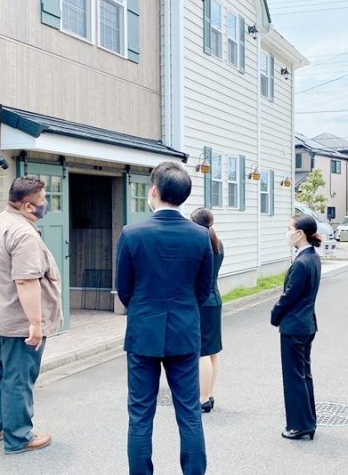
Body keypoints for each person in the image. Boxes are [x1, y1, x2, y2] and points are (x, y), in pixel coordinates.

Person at [117, 162, 213, 475]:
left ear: (154, 191)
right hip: (184, 331)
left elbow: (124, 289)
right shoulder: (200, 235)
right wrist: (183, 309)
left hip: (143, 331)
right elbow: (203, 289)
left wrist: (143, 309)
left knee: (140, 415)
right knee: (189, 413)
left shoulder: (132, 233)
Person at [0, 176, 62, 454]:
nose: (46, 204)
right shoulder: (23, 234)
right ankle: (19, 437)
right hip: (16, 323)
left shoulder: (0, 221)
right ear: (27, 206)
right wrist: (35, 323)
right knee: (18, 379)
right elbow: (26, 280)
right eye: (42, 200)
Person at [271, 214, 322, 441]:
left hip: (294, 326)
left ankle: (299, 425)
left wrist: (275, 314)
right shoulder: (312, 257)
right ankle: (308, 421)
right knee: (304, 374)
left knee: (294, 377)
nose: (287, 232)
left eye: (289, 228)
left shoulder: (302, 262)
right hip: (307, 324)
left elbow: (289, 296)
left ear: (300, 233)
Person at [190, 207, 224, 413]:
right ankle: (209, 394)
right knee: (213, 351)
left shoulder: (199, 245)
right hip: (215, 299)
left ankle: (202, 399)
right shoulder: (218, 243)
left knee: (202, 351)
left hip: (202, 302)